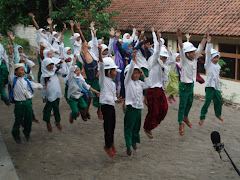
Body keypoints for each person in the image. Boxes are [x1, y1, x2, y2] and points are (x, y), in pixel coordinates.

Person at [177, 28, 209, 136]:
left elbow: (201, 46)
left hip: (191, 85)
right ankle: (180, 123)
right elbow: (181, 48)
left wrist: (205, 36)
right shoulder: (184, 59)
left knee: (190, 103)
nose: (194, 53)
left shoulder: (194, 58)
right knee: (182, 105)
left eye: (193, 52)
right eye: (191, 52)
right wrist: (180, 37)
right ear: (186, 54)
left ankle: (185, 116)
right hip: (183, 86)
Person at [8, 45, 43, 144]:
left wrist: (41, 86)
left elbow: (33, 84)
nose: (23, 72)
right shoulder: (12, 80)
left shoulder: (25, 80)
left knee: (28, 119)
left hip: (28, 102)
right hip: (19, 104)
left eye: (23, 70)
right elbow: (10, 67)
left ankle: (27, 133)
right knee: (18, 120)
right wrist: (11, 56)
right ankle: (16, 135)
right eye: (21, 70)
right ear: (15, 72)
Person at [143, 30, 170, 140]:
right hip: (152, 90)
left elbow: (172, 59)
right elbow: (157, 52)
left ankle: (154, 123)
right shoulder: (154, 61)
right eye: (163, 57)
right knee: (153, 112)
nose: (164, 59)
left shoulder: (164, 65)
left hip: (160, 90)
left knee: (164, 109)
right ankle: (147, 127)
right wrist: (157, 40)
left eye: (165, 58)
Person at [124, 50, 151, 156]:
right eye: (134, 73)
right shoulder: (127, 82)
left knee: (136, 126)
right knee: (128, 127)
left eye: (137, 73)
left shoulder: (140, 83)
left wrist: (144, 75)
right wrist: (133, 59)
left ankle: (134, 142)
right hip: (131, 108)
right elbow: (130, 70)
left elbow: (148, 85)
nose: (136, 75)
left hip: (138, 108)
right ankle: (128, 146)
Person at [75, 22, 102, 120]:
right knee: (88, 97)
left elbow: (97, 63)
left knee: (98, 93)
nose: (85, 44)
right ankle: (84, 112)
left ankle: (98, 110)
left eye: (86, 44)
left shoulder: (92, 54)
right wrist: (79, 30)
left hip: (94, 77)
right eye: (84, 44)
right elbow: (83, 40)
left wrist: (98, 71)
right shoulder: (81, 55)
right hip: (87, 78)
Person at [98, 45, 121, 158]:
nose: (115, 73)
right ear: (108, 71)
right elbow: (101, 65)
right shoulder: (103, 79)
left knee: (112, 126)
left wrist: (118, 100)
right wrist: (98, 50)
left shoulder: (112, 83)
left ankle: (111, 143)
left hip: (111, 106)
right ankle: (107, 146)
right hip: (105, 106)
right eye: (114, 71)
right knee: (107, 126)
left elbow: (113, 96)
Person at [199, 36, 224, 126]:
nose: (216, 59)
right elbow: (208, 53)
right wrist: (208, 43)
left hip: (216, 86)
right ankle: (202, 117)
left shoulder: (218, 66)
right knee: (207, 102)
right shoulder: (208, 64)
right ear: (211, 58)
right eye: (214, 58)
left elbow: (217, 77)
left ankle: (218, 114)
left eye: (217, 57)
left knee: (219, 101)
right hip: (210, 86)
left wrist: (219, 88)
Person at [67, 55, 100, 123]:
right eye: (76, 71)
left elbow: (87, 86)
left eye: (79, 70)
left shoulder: (81, 78)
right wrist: (75, 58)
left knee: (84, 106)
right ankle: (72, 115)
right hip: (72, 97)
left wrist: (96, 92)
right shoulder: (71, 77)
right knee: (75, 112)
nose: (78, 72)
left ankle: (79, 111)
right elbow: (72, 68)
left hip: (79, 96)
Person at [40, 58, 66, 132]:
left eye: (52, 64)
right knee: (47, 110)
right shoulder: (43, 76)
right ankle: (48, 122)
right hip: (50, 95)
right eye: (49, 65)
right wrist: (43, 96)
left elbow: (64, 71)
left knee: (56, 109)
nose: (51, 66)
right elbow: (42, 87)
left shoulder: (55, 72)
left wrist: (63, 63)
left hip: (57, 94)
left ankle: (57, 121)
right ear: (45, 66)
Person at [0, 33, 11, 105]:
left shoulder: (1, 46)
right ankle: (4, 97)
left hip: (2, 64)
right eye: (0, 35)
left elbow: (4, 56)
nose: (1, 36)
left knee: (7, 78)